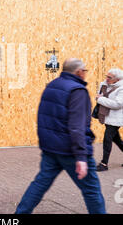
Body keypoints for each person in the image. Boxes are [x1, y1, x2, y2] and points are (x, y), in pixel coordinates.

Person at [15, 58, 106, 214]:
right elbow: (77, 126)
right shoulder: (78, 91)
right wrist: (81, 157)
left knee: (40, 184)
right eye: (84, 71)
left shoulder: (51, 86)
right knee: (91, 190)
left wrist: (46, 143)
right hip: (70, 150)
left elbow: (42, 117)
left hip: (51, 149)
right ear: (78, 72)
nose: (85, 74)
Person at [95, 68, 123, 172]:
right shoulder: (104, 84)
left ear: (117, 79)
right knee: (117, 140)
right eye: (107, 76)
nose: (106, 78)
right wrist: (100, 98)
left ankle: (104, 164)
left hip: (116, 119)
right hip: (106, 116)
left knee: (107, 138)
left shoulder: (121, 88)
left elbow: (118, 104)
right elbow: (99, 95)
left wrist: (101, 99)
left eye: (109, 77)